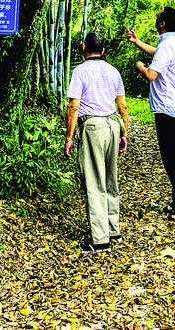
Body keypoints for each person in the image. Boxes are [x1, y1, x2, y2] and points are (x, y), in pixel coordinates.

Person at [65, 31, 130, 254]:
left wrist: (69, 137)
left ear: (84, 47)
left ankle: (100, 239)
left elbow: (74, 107)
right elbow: (122, 106)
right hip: (113, 124)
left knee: (95, 180)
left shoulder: (80, 71)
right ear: (103, 50)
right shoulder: (113, 71)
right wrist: (124, 133)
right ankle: (113, 229)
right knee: (111, 178)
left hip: (92, 126)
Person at [128, 6, 175, 218]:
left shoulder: (168, 44)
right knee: (173, 155)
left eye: (158, 17)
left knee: (171, 156)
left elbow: (152, 74)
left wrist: (139, 66)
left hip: (167, 108)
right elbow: (158, 54)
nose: (156, 19)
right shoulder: (174, 42)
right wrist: (138, 43)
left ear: (163, 23)